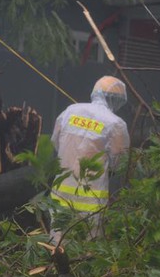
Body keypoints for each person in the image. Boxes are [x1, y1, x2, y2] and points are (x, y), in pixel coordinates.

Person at [50, 75, 130, 243]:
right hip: (91, 199)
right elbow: (120, 162)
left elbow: (55, 142)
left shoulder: (70, 111)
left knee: (57, 247)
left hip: (61, 194)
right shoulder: (116, 124)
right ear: (118, 100)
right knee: (87, 252)